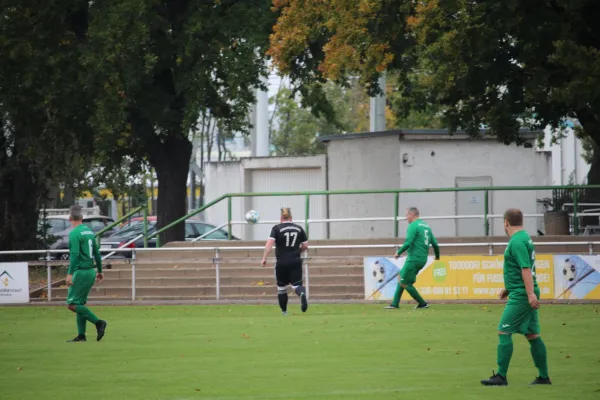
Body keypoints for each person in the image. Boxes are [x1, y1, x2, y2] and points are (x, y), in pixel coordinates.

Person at [481, 208, 551, 386]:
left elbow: (526, 268)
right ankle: (544, 377)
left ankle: (501, 376)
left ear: (506, 223)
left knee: (504, 331)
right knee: (532, 334)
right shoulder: (525, 237)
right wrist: (509, 288)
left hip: (522, 294)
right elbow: (521, 268)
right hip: (521, 290)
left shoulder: (517, 241)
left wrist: (528, 294)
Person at [65, 205, 108, 342]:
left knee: (72, 304)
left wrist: (70, 274)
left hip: (81, 272)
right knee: (79, 304)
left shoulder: (74, 234)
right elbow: (96, 253)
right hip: (90, 271)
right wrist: (100, 270)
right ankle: (81, 335)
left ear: (70, 218)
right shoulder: (89, 232)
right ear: (82, 218)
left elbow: (75, 256)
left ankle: (98, 322)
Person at [385, 207, 440, 309]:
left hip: (414, 258)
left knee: (405, 282)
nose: (406, 218)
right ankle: (395, 304)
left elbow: (408, 242)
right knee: (401, 277)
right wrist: (437, 256)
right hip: (422, 259)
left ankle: (422, 303)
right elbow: (435, 244)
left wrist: (398, 252)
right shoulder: (426, 226)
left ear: (412, 215)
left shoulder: (413, 226)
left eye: (407, 215)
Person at [261, 207, 309, 315]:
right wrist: (298, 251)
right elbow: (305, 245)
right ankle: (301, 294)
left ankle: (284, 311)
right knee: (297, 286)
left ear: (281, 217)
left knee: (281, 288)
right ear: (291, 217)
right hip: (295, 261)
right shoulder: (299, 228)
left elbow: (269, 244)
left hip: (281, 262)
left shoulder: (276, 228)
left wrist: (264, 258)